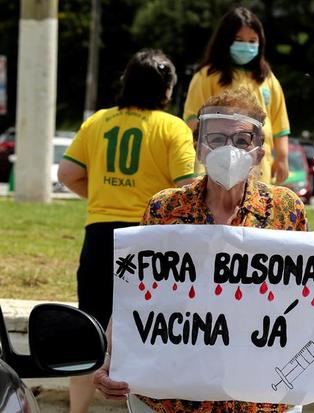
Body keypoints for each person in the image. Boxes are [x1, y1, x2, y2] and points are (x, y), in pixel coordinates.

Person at [92, 87, 314, 413]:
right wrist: (113, 362)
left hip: (259, 401)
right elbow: (135, 296)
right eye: (217, 139)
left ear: (260, 153)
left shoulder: (285, 209)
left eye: (241, 141)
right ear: (198, 149)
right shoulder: (165, 209)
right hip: (174, 402)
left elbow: (303, 298)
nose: (229, 150)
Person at [58, 49, 196, 413]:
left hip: (100, 235)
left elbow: (68, 174)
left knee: (89, 330)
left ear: (126, 82)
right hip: (149, 238)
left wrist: (103, 194)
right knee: (153, 329)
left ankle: (77, 410)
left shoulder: (98, 122)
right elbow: (188, 188)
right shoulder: (172, 128)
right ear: (167, 90)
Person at [183, 6, 290, 185]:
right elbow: (193, 121)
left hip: (259, 166)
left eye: (252, 41)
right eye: (239, 40)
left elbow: (280, 124)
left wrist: (282, 157)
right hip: (219, 165)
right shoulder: (207, 76)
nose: (246, 46)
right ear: (224, 41)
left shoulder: (267, 78)